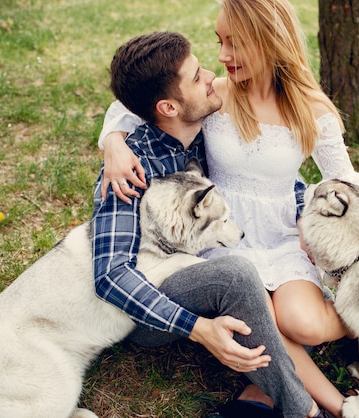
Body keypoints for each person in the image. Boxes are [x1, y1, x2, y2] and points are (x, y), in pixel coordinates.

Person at [98, 1, 359, 416]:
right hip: (223, 235)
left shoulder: (310, 109)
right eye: (219, 41)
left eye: (234, 43)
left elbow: (349, 181)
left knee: (302, 324)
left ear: (269, 42)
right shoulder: (215, 96)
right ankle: (340, 408)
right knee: (262, 316)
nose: (222, 56)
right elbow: (136, 102)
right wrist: (112, 143)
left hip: (282, 231)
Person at [93, 31, 334, 418]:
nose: (211, 74)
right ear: (169, 107)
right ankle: (306, 409)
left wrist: (304, 210)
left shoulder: (206, 131)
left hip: (206, 264)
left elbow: (268, 178)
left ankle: (262, 394)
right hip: (145, 311)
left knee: (268, 299)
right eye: (196, 76)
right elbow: (110, 276)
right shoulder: (130, 170)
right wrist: (196, 328)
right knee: (237, 276)